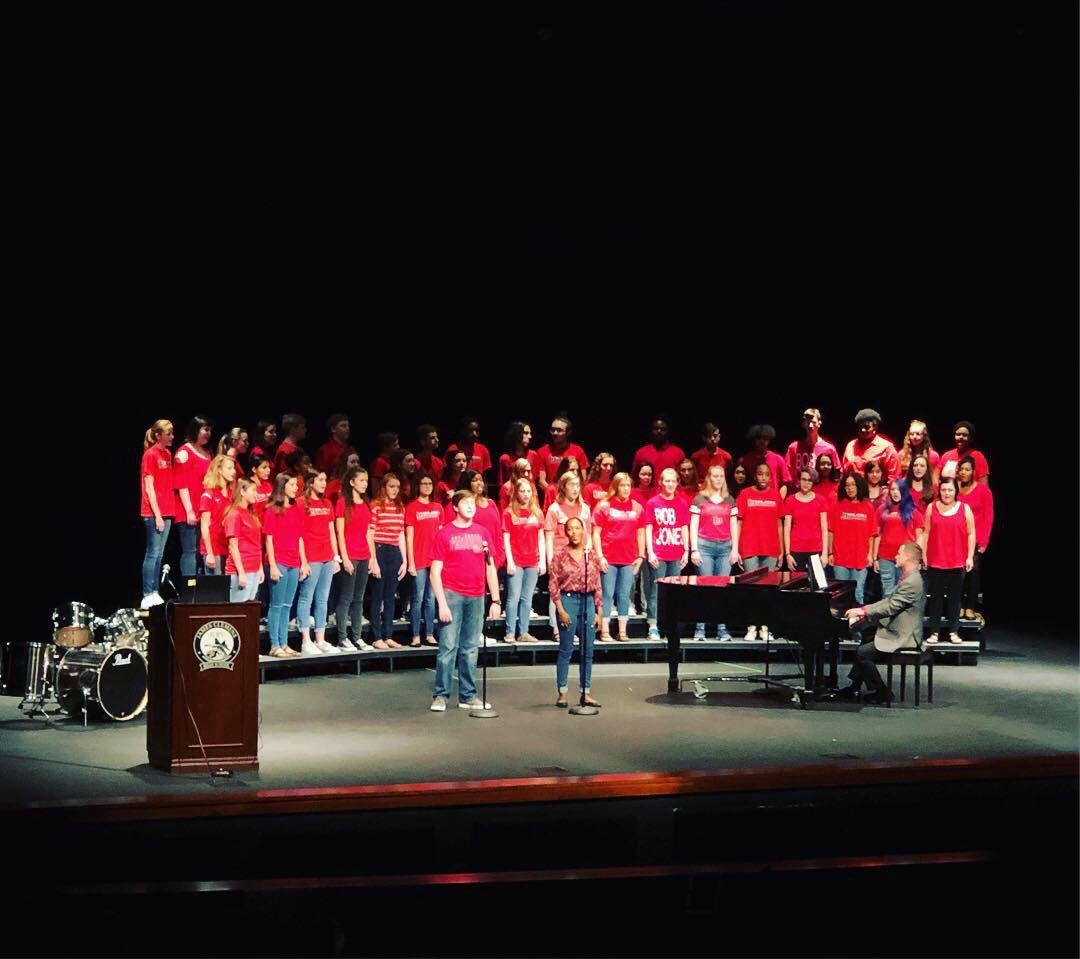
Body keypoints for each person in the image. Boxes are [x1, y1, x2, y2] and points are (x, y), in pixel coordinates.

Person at [429, 490, 502, 712]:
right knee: (448, 646)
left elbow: (490, 565)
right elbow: (435, 571)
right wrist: (441, 603)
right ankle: (441, 695)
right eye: (465, 503)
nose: (470, 506)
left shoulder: (482, 532)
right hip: (452, 595)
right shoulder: (445, 533)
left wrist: (496, 599)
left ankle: (468, 696)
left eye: (472, 503)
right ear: (455, 507)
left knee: (470, 647)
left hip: (477, 596)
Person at [839, 542, 927, 706]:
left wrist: (863, 612)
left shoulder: (912, 581)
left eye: (899, 553)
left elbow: (891, 606)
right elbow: (889, 601)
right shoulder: (909, 577)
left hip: (905, 635)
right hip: (900, 627)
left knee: (863, 653)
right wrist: (864, 610)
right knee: (866, 635)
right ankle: (854, 687)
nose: (895, 556)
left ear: (907, 556)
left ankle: (881, 692)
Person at [550, 517, 602, 708]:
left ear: (583, 530)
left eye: (577, 528)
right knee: (566, 649)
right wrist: (560, 610)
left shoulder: (591, 555)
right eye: (570, 529)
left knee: (587, 651)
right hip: (568, 600)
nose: (574, 532)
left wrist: (599, 611)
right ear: (566, 532)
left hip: (587, 601)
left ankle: (585, 692)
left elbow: (597, 583)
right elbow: (553, 584)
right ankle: (562, 692)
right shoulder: (560, 555)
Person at [919, 476, 976, 645]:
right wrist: (924, 554)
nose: (946, 493)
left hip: (957, 561)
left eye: (950, 490)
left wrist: (969, 556)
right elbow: (926, 532)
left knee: (954, 598)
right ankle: (934, 632)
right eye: (943, 490)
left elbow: (971, 533)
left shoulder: (964, 509)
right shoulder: (932, 508)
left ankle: (953, 631)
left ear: (955, 491)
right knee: (935, 598)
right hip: (936, 560)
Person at [731, 463, 783, 641]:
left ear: (770, 477)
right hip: (749, 547)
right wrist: (736, 548)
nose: (763, 477)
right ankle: (752, 627)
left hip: (770, 548)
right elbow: (738, 522)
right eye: (760, 474)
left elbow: (779, 524)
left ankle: (765, 627)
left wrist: (781, 550)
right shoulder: (745, 494)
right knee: (752, 589)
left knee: (767, 590)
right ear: (755, 476)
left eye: (766, 475)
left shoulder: (776, 495)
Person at [592, 473, 645, 643]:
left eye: (628, 485)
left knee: (624, 595)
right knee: (607, 594)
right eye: (622, 485)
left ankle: (622, 632)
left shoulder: (637, 507)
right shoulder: (604, 506)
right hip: (608, 558)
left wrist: (640, 555)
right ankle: (605, 631)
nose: (626, 489)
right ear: (615, 486)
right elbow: (596, 534)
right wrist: (600, 556)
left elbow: (641, 532)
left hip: (628, 559)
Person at [689, 464, 737, 640]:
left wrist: (735, 550)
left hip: (725, 548)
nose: (718, 479)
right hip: (705, 547)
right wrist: (694, 549)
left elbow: (734, 526)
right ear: (709, 478)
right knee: (704, 589)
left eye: (721, 476)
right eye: (715, 476)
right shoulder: (700, 499)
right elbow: (693, 525)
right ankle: (700, 628)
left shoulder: (729, 500)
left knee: (721, 590)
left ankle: (721, 628)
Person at [545, 470, 592, 646]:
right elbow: (549, 537)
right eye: (571, 485)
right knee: (557, 593)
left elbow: (587, 534)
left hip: (581, 559)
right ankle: (557, 629)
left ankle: (576, 628)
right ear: (563, 487)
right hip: (561, 557)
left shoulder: (585, 508)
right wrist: (550, 560)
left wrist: (590, 555)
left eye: (578, 485)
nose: (575, 488)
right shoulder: (554, 509)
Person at [296, 470, 340, 655]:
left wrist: (335, 556)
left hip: (327, 557)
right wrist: (303, 560)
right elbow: (298, 534)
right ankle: (306, 640)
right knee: (306, 597)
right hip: (311, 557)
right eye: (320, 480)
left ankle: (320, 639)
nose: (324, 483)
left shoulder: (327, 502)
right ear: (311, 482)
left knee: (323, 599)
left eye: (325, 479)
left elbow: (332, 531)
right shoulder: (301, 503)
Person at [643, 468, 690, 641]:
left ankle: (670, 626)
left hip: (676, 553)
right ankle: (653, 626)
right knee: (656, 591)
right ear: (661, 483)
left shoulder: (682, 503)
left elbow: (684, 527)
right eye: (667, 481)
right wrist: (651, 552)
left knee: (673, 593)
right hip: (659, 553)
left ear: (677, 483)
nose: (670, 484)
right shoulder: (653, 503)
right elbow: (648, 528)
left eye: (673, 481)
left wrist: (687, 550)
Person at [263, 474, 305, 659]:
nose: (296, 488)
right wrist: (272, 565)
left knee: (288, 605)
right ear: (283, 486)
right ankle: (274, 645)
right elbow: (269, 540)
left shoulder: (296, 509)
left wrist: (303, 562)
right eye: (292, 484)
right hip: (279, 561)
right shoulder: (272, 510)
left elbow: (300, 537)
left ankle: (284, 642)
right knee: (277, 605)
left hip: (294, 562)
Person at [503, 477, 546, 643]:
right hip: (517, 560)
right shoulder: (509, 512)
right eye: (522, 491)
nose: (526, 494)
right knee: (513, 597)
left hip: (532, 561)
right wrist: (510, 561)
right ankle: (510, 632)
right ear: (516, 493)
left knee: (527, 598)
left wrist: (542, 561)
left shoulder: (537, 512)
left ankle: (524, 632)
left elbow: (541, 538)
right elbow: (505, 539)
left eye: (529, 491)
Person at [334, 466, 372, 652]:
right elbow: (340, 532)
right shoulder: (343, 503)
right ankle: (343, 638)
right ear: (352, 482)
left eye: (366, 481)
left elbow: (367, 533)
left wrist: (371, 557)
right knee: (346, 598)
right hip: (350, 555)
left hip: (364, 555)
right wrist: (345, 558)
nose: (365, 484)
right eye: (361, 480)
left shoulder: (365, 503)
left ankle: (357, 637)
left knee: (359, 599)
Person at [367, 472, 408, 650]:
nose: (395, 490)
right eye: (391, 486)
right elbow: (370, 534)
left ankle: (388, 635)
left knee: (390, 596)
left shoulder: (400, 507)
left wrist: (405, 560)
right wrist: (373, 559)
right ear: (383, 487)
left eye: (397, 487)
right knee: (378, 595)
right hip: (380, 550)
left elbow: (400, 534)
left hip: (394, 552)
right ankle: (377, 637)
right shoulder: (376, 506)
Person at [827, 472, 878, 605]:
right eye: (847, 485)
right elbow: (831, 531)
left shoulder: (868, 506)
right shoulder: (837, 506)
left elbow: (872, 534)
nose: (849, 488)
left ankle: (855, 624)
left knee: (858, 593)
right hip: (840, 558)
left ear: (859, 486)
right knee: (841, 595)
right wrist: (830, 553)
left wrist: (870, 555)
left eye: (852, 485)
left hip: (860, 558)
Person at [140, 419, 175, 607]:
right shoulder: (150, 455)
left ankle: (155, 591)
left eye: (172, 433)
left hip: (167, 510)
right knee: (152, 553)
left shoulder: (167, 454)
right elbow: (149, 487)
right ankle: (147, 593)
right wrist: (158, 515)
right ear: (158, 435)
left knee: (160, 554)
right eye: (168, 433)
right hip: (154, 512)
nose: (172, 436)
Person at [172, 416, 213, 579]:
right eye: (206, 430)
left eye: (210, 430)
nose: (208, 434)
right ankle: (189, 589)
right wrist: (189, 510)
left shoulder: (208, 453)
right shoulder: (184, 452)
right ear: (196, 429)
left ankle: (202, 589)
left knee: (201, 550)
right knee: (190, 551)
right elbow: (181, 484)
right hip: (188, 510)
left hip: (203, 510)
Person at [405, 473, 444, 647]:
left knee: (431, 598)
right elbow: (409, 537)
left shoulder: (438, 508)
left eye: (430, 483)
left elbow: (442, 535)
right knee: (417, 598)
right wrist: (411, 562)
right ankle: (415, 635)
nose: (428, 486)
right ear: (417, 486)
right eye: (424, 483)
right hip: (419, 559)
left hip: (434, 560)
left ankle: (429, 634)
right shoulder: (412, 507)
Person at [957, 456, 994, 625]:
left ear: (973, 472)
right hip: (956, 539)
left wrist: (984, 541)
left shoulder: (982, 490)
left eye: (967, 469)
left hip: (975, 540)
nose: (964, 472)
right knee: (957, 576)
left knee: (972, 574)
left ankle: (970, 607)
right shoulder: (953, 489)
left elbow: (988, 517)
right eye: (961, 469)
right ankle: (958, 607)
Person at [874, 479, 924, 598]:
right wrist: (875, 557)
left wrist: (918, 558)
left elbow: (919, 536)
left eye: (898, 489)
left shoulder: (913, 511)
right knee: (887, 592)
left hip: (906, 558)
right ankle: (886, 617)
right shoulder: (882, 509)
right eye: (892, 489)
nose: (895, 492)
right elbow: (877, 534)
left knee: (903, 592)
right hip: (885, 557)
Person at [223, 479, 265, 603]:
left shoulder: (251, 514)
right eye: (253, 490)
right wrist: (241, 572)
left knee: (250, 611)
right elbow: (233, 547)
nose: (256, 493)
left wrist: (260, 568)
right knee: (238, 610)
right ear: (242, 491)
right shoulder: (234, 514)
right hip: (241, 570)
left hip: (254, 569)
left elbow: (256, 544)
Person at [783, 468, 829, 574]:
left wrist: (825, 553)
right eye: (803, 479)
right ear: (799, 480)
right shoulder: (790, 500)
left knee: (816, 587)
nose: (806, 483)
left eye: (809, 480)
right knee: (797, 587)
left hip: (816, 550)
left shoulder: (821, 500)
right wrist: (787, 554)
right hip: (796, 550)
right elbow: (787, 529)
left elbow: (824, 529)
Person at [199, 454, 238, 576]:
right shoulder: (208, 495)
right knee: (216, 591)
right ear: (220, 470)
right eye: (229, 468)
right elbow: (204, 526)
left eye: (234, 468)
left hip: (228, 548)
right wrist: (209, 553)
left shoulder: (232, 494)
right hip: (214, 549)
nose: (234, 471)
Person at [535, 413, 588, 495]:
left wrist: (571, 494)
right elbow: (541, 481)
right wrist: (556, 494)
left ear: (568, 432)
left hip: (572, 496)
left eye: (559, 430)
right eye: (553, 430)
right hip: (552, 496)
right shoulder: (542, 451)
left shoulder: (578, 450)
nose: (555, 433)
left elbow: (583, 479)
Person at [841, 409, 900, 481]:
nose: (863, 430)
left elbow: (894, 477)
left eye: (866, 427)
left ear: (875, 427)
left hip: (876, 490)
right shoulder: (850, 445)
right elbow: (843, 473)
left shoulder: (886, 447)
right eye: (860, 427)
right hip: (852, 490)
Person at [631, 415, 686, 492]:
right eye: (656, 429)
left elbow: (684, 478)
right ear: (651, 431)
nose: (659, 431)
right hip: (646, 496)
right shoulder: (641, 452)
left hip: (670, 496)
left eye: (662, 429)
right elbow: (634, 478)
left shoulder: (678, 452)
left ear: (668, 432)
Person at [785, 409, 840, 479]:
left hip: (821, 489)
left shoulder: (829, 449)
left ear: (819, 423)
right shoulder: (793, 448)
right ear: (804, 424)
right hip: (797, 489)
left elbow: (837, 474)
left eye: (813, 422)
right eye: (808, 422)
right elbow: (787, 474)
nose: (811, 426)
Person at [739, 425, 791, 496]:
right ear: (754, 440)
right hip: (752, 502)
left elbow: (784, 484)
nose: (762, 441)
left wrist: (779, 502)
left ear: (769, 440)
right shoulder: (745, 460)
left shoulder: (778, 459)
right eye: (759, 438)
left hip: (772, 502)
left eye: (765, 438)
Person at [939, 421, 990, 485]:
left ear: (971, 438)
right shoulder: (946, 456)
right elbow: (938, 479)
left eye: (965, 435)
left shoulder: (978, 456)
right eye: (958, 434)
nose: (961, 437)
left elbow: (984, 484)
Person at [498, 421, 543, 486]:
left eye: (530, 433)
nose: (530, 437)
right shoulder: (505, 458)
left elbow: (533, 481)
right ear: (517, 433)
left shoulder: (533, 455)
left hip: (529, 493)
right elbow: (501, 484)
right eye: (526, 433)